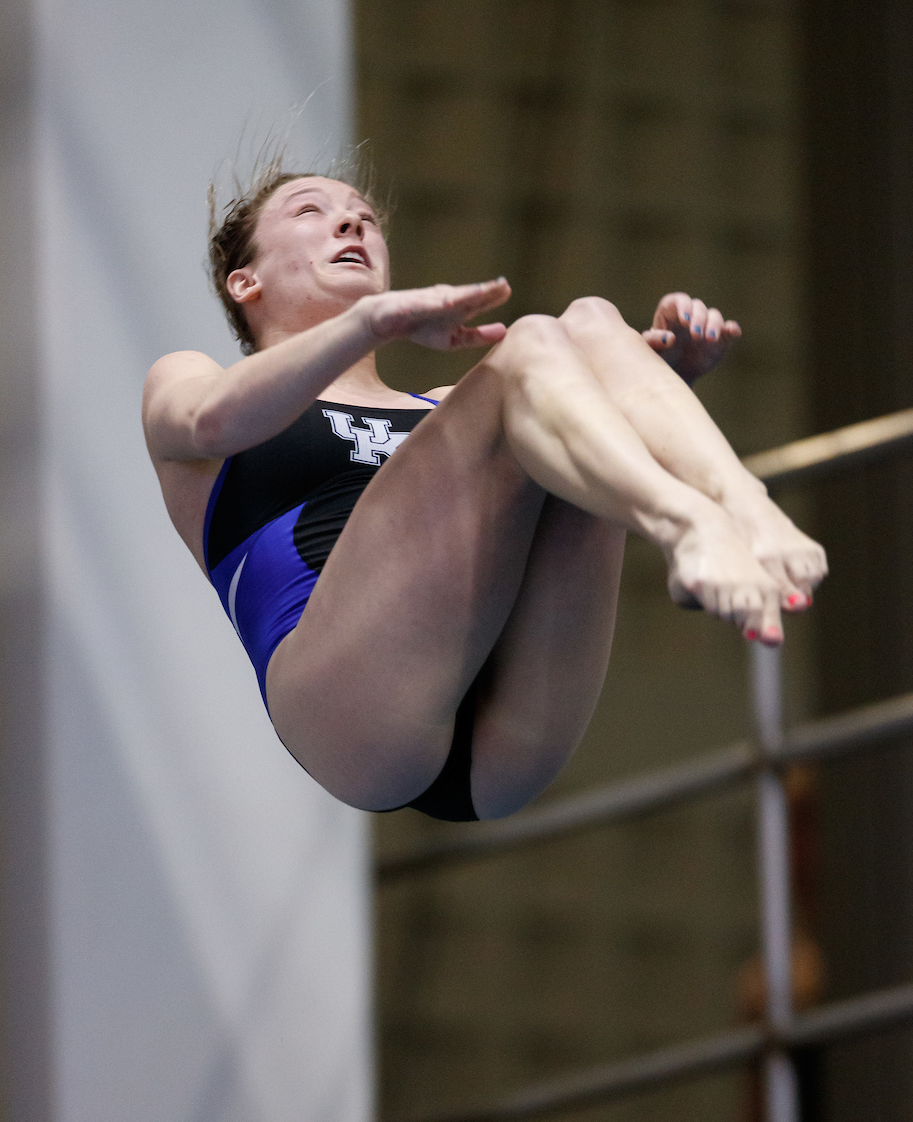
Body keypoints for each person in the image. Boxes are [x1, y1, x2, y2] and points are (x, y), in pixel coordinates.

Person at [142, 166, 826, 822]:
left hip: (505, 733)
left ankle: (746, 509)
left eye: (364, 217)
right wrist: (370, 321)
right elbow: (212, 420)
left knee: (590, 323)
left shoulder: (448, 409)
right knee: (534, 340)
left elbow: (577, 421)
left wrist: (659, 379)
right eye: (311, 212)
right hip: (347, 710)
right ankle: (690, 523)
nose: (350, 220)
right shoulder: (192, 380)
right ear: (245, 281)